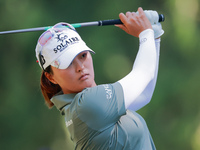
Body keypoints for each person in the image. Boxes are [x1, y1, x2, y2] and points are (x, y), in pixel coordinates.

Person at [35, 7, 164, 150]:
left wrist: (154, 37)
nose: (80, 67)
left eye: (83, 55)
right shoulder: (87, 105)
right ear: (50, 77)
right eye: (68, 63)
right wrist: (145, 32)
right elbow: (144, 73)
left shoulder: (83, 109)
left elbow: (143, 94)